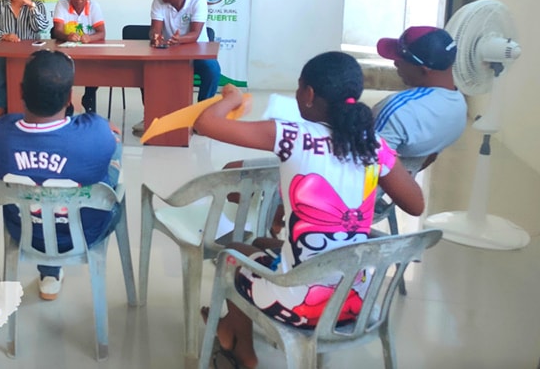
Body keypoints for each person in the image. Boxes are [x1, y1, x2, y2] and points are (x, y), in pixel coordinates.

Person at [192, 52, 423, 369]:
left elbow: (204, 123)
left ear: (309, 94)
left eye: (299, 87)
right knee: (261, 243)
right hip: (356, 302)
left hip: (299, 306)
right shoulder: (373, 144)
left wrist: (231, 98)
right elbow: (416, 204)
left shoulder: (291, 136)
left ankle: (242, 347)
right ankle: (230, 329)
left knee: (233, 252)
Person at [0, 50, 122, 300]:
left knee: (38, 183)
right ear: (70, 97)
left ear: (21, 91)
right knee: (113, 148)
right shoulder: (95, 133)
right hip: (86, 232)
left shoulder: (0, 133)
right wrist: (107, 131)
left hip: (24, 232)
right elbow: (98, 130)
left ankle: (49, 272)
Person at [133, 0, 222, 135]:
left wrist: (179, 39)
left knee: (212, 70)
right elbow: (155, 29)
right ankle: (152, 115)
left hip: (197, 51)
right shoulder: (159, 1)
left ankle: (202, 116)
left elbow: (195, 34)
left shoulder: (198, 1)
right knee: (145, 70)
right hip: (168, 52)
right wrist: (155, 36)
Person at [374, 26, 467, 175]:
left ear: (424, 69)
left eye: (401, 58)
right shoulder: (459, 109)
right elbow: (430, 156)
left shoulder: (399, 110)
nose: (395, 63)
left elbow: (368, 167)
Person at [0, 0, 50, 117]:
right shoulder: (0, 6)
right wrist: (5, 35)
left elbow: (41, 26)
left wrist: (31, 6)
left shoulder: (37, 5)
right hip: (5, 52)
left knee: (31, 80)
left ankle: (32, 112)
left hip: (30, 52)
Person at [50, 0, 105, 113]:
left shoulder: (94, 6)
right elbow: (57, 31)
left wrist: (90, 38)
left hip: (89, 53)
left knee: (96, 70)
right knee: (62, 71)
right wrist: (67, 36)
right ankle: (67, 103)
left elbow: (102, 33)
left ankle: (89, 97)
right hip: (66, 51)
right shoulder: (62, 5)